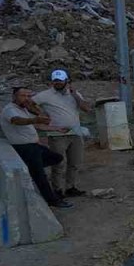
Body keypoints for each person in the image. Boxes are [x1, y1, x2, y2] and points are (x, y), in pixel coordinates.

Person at [0, 87, 71, 209]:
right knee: (40, 176)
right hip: (24, 148)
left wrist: (56, 129)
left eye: (28, 96)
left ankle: (31, 169)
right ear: (14, 97)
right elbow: (17, 121)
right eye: (23, 96)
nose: (26, 98)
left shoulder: (23, 109)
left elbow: (36, 125)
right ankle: (52, 200)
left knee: (56, 158)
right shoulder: (10, 110)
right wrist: (34, 119)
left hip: (33, 146)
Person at [33, 70, 93, 198]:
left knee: (75, 162)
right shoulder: (45, 95)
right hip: (57, 135)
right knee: (58, 164)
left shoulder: (75, 95)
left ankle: (70, 187)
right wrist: (40, 115)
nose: (58, 83)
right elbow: (29, 104)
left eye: (60, 81)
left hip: (75, 133)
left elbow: (87, 109)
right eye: (55, 81)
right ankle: (57, 190)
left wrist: (75, 95)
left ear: (67, 81)